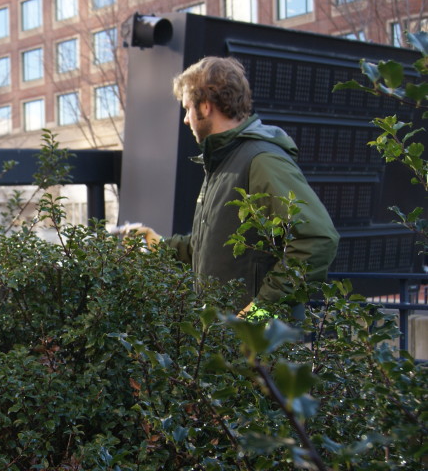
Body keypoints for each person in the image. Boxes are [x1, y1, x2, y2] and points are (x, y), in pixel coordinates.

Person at [126, 56, 339, 317]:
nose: (185, 120)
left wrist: (260, 312)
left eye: (187, 108)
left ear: (205, 107)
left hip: (258, 346)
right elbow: (217, 247)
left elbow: (317, 239)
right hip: (229, 342)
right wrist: (158, 246)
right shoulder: (224, 162)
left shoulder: (261, 160)